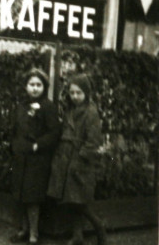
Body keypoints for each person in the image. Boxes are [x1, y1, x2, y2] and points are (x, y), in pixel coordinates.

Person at [47, 74, 107, 245]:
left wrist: (80, 158)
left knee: (80, 201)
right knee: (71, 200)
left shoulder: (91, 112)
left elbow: (93, 141)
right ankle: (78, 236)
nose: (74, 96)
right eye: (72, 93)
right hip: (65, 159)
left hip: (81, 162)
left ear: (86, 93)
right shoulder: (69, 110)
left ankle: (99, 226)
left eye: (78, 93)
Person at [9, 68, 61, 244]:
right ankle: (23, 229)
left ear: (44, 87)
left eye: (39, 85)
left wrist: (38, 144)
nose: (35, 88)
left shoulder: (48, 107)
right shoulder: (21, 106)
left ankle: (34, 234)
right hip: (21, 157)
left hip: (38, 159)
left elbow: (54, 133)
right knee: (21, 196)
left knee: (33, 198)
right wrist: (15, 146)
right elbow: (15, 128)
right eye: (31, 84)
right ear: (26, 87)